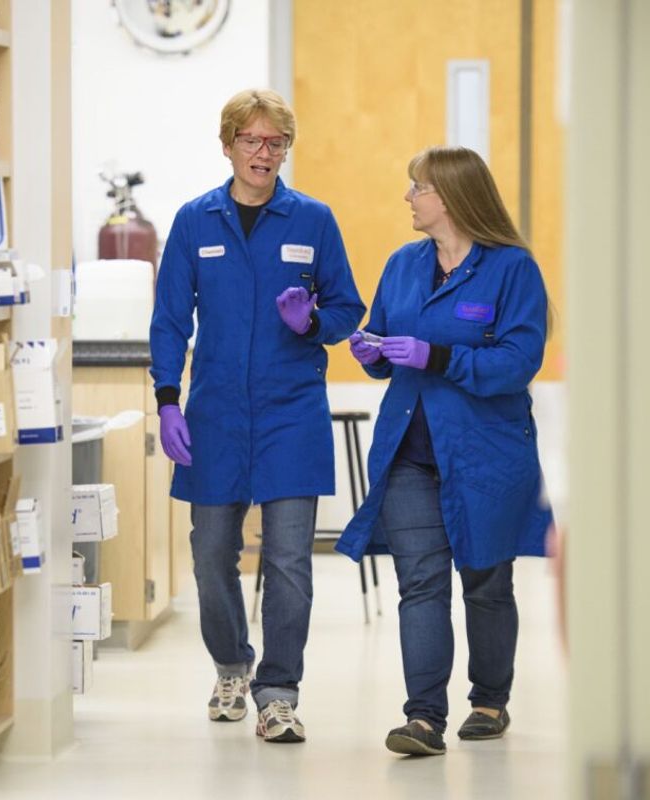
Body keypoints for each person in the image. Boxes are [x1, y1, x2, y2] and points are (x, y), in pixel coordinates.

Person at [149, 88, 364, 743]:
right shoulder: (195, 222)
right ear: (228, 146)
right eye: (252, 141)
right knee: (212, 554)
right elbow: (168, 319)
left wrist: (316, 321)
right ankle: (231, 666)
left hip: (290, 414)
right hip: (214, 415)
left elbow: (350, 311)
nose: (264, 153)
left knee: (290, 562)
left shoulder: (313, 221)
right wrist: (166, 399)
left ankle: (278, 693)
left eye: (276, 143)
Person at [338, 145, 552, 756]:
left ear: (452, 197)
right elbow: (381, 339)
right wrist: (372, 353)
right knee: (421, 583)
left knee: (485, 580)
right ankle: (424, 718)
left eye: (418, 188)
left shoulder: (512, 269)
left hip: (486, 452)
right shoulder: (403, 264)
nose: (408, 197)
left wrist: (437, 356)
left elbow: (518, 361)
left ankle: (489, 700)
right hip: (409, 450)